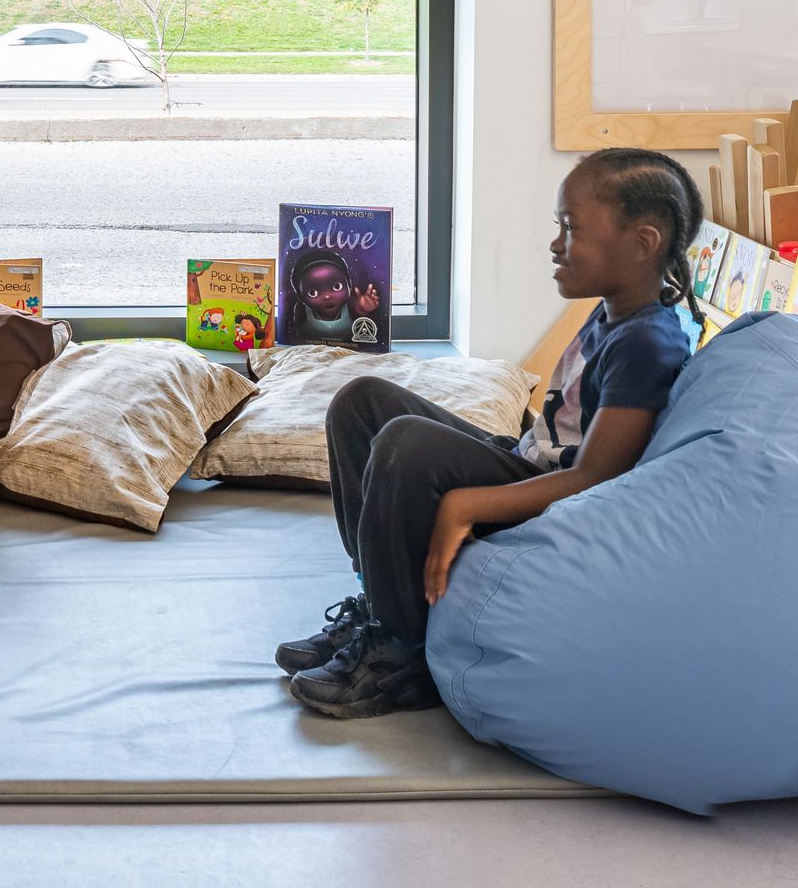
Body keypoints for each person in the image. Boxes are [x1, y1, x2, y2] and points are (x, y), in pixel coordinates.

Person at [277, 147, 702, 719]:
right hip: (528, 457)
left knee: (406, 444)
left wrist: (465, 504)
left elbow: (598, 477)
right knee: (363, 401)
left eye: (571, 229)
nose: (556, 244)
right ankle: (378, 602)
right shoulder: (615, 312)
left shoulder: (648, 343)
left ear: (643, 242)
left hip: (560, 494)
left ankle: (402, 652)